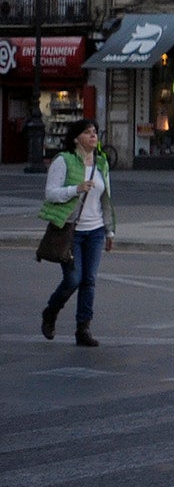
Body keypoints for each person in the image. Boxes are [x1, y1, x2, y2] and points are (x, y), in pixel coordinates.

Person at [39, 118, 115, 348]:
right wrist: (76, 189)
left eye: (95, 132)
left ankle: (83, 329)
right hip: (71, 230)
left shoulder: (101, 163)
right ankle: (51, 311)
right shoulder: (64, 161)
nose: (93, 135)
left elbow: (106, 199)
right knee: (73, 279)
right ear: (76, 138)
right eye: (88, 132)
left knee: (89, 281)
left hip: (95, 231)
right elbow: (50, 193)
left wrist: (109, 231)